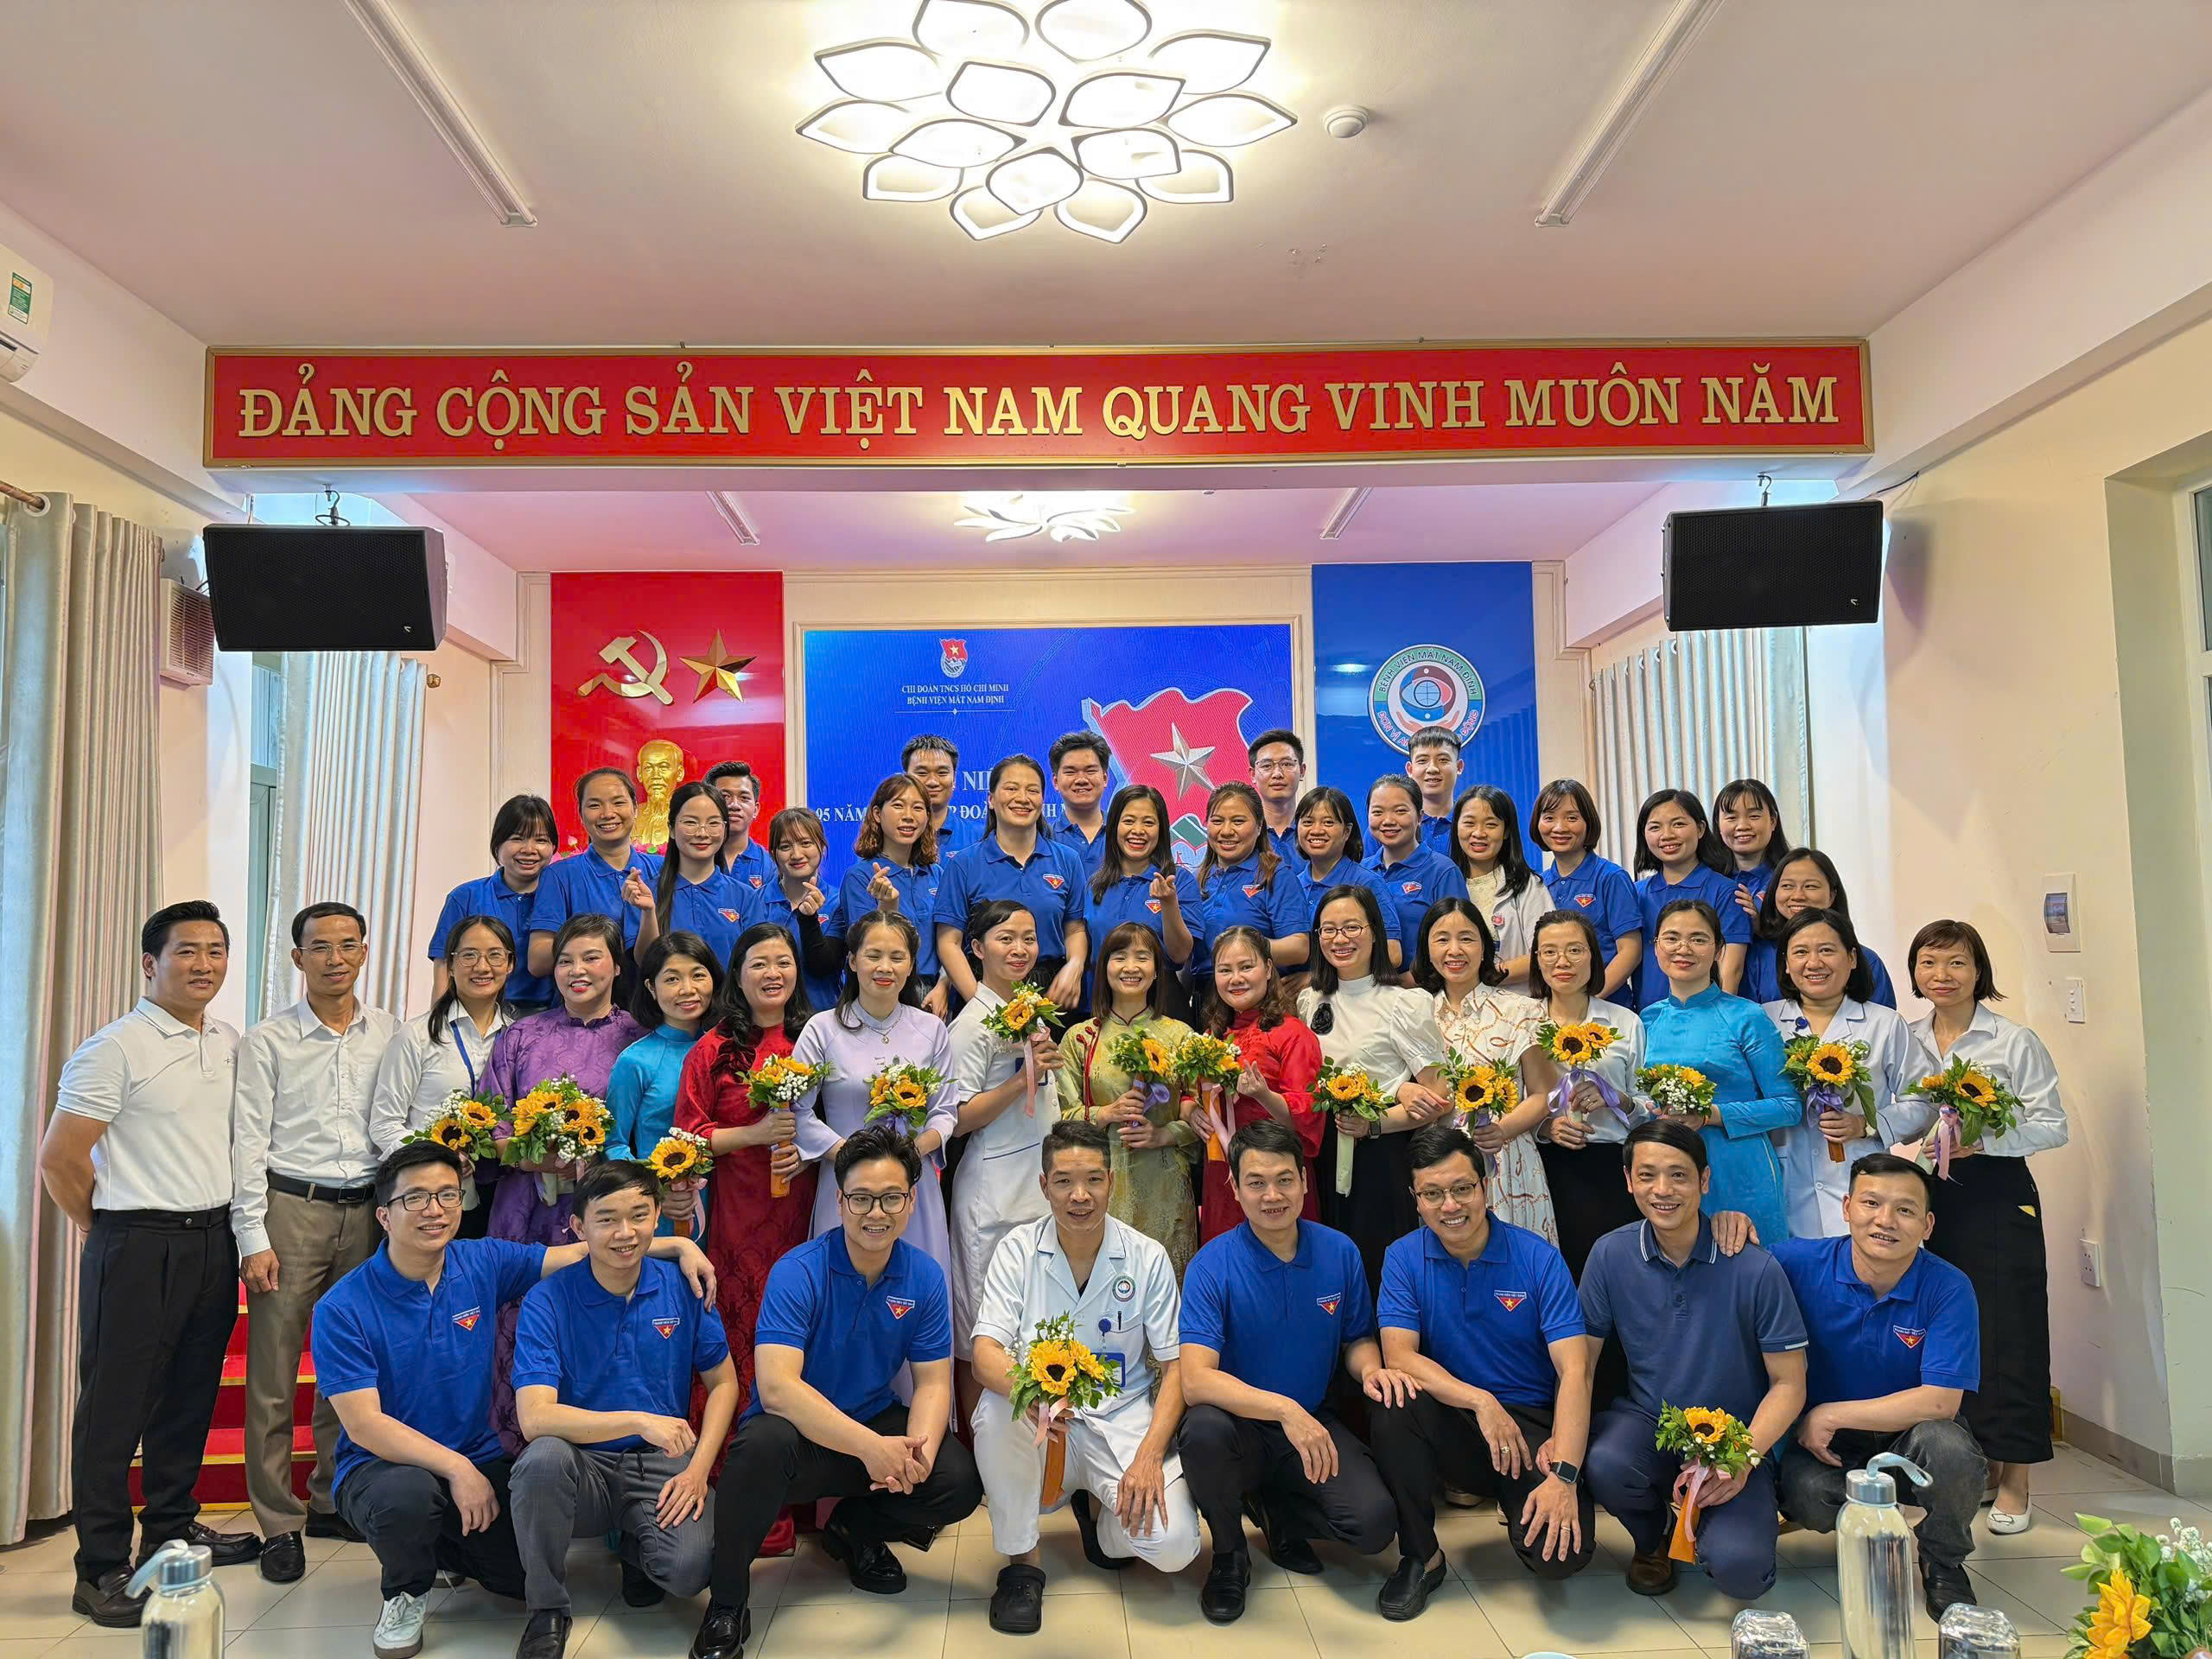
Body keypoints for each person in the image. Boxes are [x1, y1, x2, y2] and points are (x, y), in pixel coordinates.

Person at [314, 1143, 712, 1659]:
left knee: (520, 1574)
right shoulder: (343, 1306)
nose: (435, 1210)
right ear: (384, 1215)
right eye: (416, 1198)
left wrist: (677, 1246)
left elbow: (582, 1250)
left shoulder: (481, 1261)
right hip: (383, 1465)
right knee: (407, 1500)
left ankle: (445, 1546)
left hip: (478, 1456)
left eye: (447, 1195)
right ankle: (405, 1589)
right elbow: (365, 1426)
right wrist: (457, 1469)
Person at [41, 901, 263, 1626]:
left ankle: (170, 1530)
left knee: (189, 1397)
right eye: (186, 951)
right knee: (114, 1409)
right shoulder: (115, 1047)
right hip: (135, 1241)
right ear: (150, 963)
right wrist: (102, 1227)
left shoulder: (227, 1040)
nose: (204, 964)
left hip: (211, 1240)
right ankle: (100, 1566)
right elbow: (61, 1159)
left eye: (216, 951)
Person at [690, 1127, 983, 1659]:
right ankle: (727, 1602)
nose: (877, 1213)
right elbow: (777, 1389)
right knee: (758, 1448)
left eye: (891, 1198)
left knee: (956, 1480)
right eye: (862, 1198)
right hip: (797, 1438)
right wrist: (873, 1450)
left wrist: (915, 1454)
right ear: (841, 1200)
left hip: (871, 1420)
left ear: (911, 1201)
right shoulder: (798, 1271)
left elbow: (934, 1382)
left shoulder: (923, 1276)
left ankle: (854, 1529)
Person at [969, 1120, 1202, 1632]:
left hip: (1121, 1418)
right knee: (995, 1410)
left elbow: (1176, 1367)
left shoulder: (1146, 1256)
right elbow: (985, 1354)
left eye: (1094, 1179)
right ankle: (1023, 1567)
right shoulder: (1017, 1250)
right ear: (1044, 1185)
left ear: (1111, 1182)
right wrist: (1031, 1393)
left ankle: (1103, 1524)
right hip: (1042, 1422)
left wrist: (1149, 1457)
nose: (1080, 1196)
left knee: (1175, 1547)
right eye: (1064, 1181)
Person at [1175, 1121, 1406, 1624]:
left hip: (1314, 1422)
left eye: (1284, 1180)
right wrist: (1283, 1410)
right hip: (1241, 1427)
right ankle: (1229, 1555)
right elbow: (1195, 1380)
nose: (1272, 1195)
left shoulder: (1340, 1252)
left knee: (1373, 1526)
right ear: (1234, 1188)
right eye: (1256, 1182)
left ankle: (1278, 1513)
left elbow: (1357, 1338)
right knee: (1202, 1431)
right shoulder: (1211, 1265)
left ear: (1304, 1181)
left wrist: (1371, 1370)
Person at [232, 900, 401, 1581]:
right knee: (274, 1377)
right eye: (321, 947)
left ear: (365, 951)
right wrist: (252, 1234)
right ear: (297, 957)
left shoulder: (391, 1032)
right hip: (291, 1210)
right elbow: (247, 1141)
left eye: (348, 945)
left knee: (349, 1367)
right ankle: (278, 1523)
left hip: (368, 1212)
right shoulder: (267, 1040)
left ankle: (332, 1497)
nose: (336, 958)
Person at [511, 1161, 739, 1658]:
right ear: (579, 1227)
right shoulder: (548, 1300)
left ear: (657, 1216)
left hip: (663, 1462)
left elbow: (724, 1382)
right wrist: (639, 1421)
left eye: (638, 1215)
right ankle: (546, 1610)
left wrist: (698, 1470)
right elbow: (535, 1418)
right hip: (582, 1463)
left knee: (689, 1573)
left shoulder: (684, 1285)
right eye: (607, 1219)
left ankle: (638, 1550)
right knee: (541, 1460)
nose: (625, 1232)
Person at [1369, 1125, 1596, 1619]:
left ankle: (1523, 1503)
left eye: (1462, 1188)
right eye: (1432, 1194)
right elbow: (1399, 1356)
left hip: (1529, 1426)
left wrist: (1564, 1473)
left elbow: (1575, 1370)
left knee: (1561, 1560)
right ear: (1416, 1199)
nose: (1450, 1206)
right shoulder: (1403, 1257)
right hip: (1456, 1415)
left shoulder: (1538, 1258)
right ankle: (1421, 1556)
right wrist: (1479, 1401)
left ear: (1485, 1186)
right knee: (1395, 1402)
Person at [1580, 1119, 1808, 1601]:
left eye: (1679, 1175)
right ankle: (1655, 1536)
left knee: (1742, 1573)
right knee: (1607, 1462)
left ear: (1705, 1181)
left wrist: (1742, 1460)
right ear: (1628, 1181)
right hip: (1650, 1423)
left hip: (1734, 1438)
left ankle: (1714, 1528)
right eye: (1647, 1175)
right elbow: (1581, 1366)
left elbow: (1790, 1384)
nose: (1662, 1190)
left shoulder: (1755, 1266)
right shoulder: (1609, 1254)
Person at [1773, 1154, 1986, 1622]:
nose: (1885, 1221)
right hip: (1824, 1447)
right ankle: (1870, 1538)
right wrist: (1728, 1224)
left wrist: (1830, 1413)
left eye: (1905, 1210)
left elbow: (1941, 1402)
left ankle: (1943, 1560)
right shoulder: (1795, 1262)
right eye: (1871, 1203)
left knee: (1950, 1451)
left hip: (1911, 1435)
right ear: (1847, 1207)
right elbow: (1729, 1265)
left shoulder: (1949, 1287)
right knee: (1808, 1496)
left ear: (1927, 1225)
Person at [1908, 918, 2069, 1534]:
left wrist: (1985, 1138)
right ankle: (1975, 1465)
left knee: (2008, 1331)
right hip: (1930, 1193)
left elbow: (2052, 1124)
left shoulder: (2012, 1040)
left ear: (1980, 972)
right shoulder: (1908, 1038)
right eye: (1929, 962)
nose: (1942, 975)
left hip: (1997, 1193)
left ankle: (2017, 1478)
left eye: (1957, 963)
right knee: (1946, 1329)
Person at [672, 924, 814, 1558]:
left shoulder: (815, 1038)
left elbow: (837, 1123)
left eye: (783, 962)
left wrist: (807, 1153)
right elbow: (687, 1136)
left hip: (806, 1217)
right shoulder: (713, 1048)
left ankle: (807, 1494)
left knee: (802, 1346)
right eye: (759, 963)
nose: (772, 974)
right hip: (734, 1223)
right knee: (740, 1347)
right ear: (739, 973)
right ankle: (739, 1496)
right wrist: (754, 1136)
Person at [791, 911, 961, 1282]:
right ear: (853, 961)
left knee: (915, 1288)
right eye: (873, 955)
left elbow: (945, 1111)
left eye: (897, 957)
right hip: (846, 1182)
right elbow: (797, 1111)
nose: (885, 967)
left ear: (912, 965)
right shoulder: (822, 1029)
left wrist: (910, 1154)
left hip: (912, 1184)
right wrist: (852, 1154)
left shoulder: (932, 1030)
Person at [1298, 886, 1452, 1289]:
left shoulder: (1404, 1003)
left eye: (1352, 927)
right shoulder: (1309, 1000)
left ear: (1375, 932)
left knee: (1377, 1267)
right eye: (1329, 929)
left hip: (1379, 1157)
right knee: (1328, 1269)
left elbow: (1440, 1098)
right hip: (1320, 1151)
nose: (1340, 939)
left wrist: (1376, 1123)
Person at [944, 901, 1065, 1416]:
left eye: (1029, 938)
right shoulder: (972, 1024)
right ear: (977, 948)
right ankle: (979, 1453)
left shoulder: (1031, 1013)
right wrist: (1022, 1078)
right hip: (992, 1198)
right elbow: (957, 1118)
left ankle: (1035, 1447)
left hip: (1037, 1187)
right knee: (984, 1336)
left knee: (1036, 1328)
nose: (1020, 949)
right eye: (1006, 938)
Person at [1762, 909, 1936, 1237]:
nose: (1814, 963)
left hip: (1863, 1189)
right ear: (1785, 964)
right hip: (1784, 1187)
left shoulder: (1884, 1023)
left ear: (1852, 958)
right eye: (1800, 952)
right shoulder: (1763, 1021)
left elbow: (1924, 1103)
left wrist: (1867, 1124)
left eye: (1827, 950)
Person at [1642, 899, 1799, 1244]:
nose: (1683, 948)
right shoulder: (1647, 1020)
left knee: (1749, 1267)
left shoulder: (1746, 1016)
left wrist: (1711, 1115)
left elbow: (1788, 1106)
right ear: (1655, 947)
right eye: (1672, 938)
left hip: (1738, 1167)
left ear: (1718, 950)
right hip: (1668, 1175)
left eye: (1698, 939)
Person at [484, 915, 645, 1249]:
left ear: (617, 966)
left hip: (609, 1207)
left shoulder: (639, 1039)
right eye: (565, 961)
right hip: (524, 1205)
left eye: (591, 958)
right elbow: (491, 1127)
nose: (577, 970)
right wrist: (535, 1159)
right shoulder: (520, 1035)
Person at [1057, 921, 1200, 1277]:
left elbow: (1203, 1117)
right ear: (1103, 967)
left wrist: (1164, 1134)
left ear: (1157, 970)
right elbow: (1059, 1118)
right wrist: (1105, 1113)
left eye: (1142, 957)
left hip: (1166, 1183)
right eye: (1119, 957)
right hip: (1099, 1184)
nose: (1131, 967)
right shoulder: (1080, 1038)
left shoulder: (1181, 1035)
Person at [1417, 898, 1560, 1243]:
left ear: (1484, 947)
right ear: (1427, 950)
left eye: (1466, 938)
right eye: (1442, 939)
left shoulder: (1522, 1010)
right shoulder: (1416, 1014)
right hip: (1440, 1170)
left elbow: (1544, 1094)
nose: (1454, 950)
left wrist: (1501, 1130)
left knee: (1519, 1260)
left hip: (1509, 1160)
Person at [371, 915, 515, 1236]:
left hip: (502, 1194)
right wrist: (436, 1157)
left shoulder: (519, 1036)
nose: (482, 967)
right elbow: (384, 1124)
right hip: (427, 1198)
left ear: (510, 964)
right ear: (449, 965)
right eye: (469, 955)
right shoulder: (417, 1036)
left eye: (495, 955)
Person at [1523, 911, 1649, 1279]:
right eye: (1549, 952)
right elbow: (1511, 1099)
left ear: (1593, 956)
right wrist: (1545, 1128)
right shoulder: (1522, 1021)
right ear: (1536, 960)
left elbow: (1648, 1106)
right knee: (1552, 1276)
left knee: (1613, 1277)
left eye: (1575, 950)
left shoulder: (1625, 1021)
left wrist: (1618, 1099)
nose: (1562, 962)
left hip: (1611, 1167)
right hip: (1542, 1167)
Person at [1193, 926, 1322, 1242]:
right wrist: (1189, 1110)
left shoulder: (1293, 1034)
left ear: (1268, 968)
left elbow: (1308, 1116)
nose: (1236, 978)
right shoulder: (1212, 1036)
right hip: (1222, 1172)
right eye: (1225, 970)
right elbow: (1191, 1094)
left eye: (1246, 967)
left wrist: (1264, 1095)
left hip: (1273, 1173)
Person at [934, 754, 1089, 1011]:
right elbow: (949, 943)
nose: (1022, 798)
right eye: (1011, 788)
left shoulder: (1068, 860)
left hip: (1050, 994)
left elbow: (1075, 930)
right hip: (984, 989)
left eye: (1033, 790)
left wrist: (1074, 966)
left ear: (1042, 800)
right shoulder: (964, 863)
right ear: (991, 799)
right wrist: (982, 1004)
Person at [606, 931, 720, 1236]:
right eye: (672, 979)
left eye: (698, 975)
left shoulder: (728, 1050)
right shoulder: (636, 1060)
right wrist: (655, 1192)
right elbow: (614, 1143)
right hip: (667, 1206)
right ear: (651, 988)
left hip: (730, 1203)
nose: (688, 989)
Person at [524, 770, 662, 982]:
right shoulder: (559, 875)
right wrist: (593, 942)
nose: (607, 813)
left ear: (635, 808)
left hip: (654, 997)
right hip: (581, 996)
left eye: (618, 803)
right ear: (580, 815)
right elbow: (537, 962)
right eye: (594, 805)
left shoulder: (663, 869)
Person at [429, 795, 558, 1007]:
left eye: (541, 840)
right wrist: (439, 1019)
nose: (529, 849)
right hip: (480, 1011)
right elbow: (443, 965)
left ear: (553, 847)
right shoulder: (465, 897)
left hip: (547, 1015)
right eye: (517, 838)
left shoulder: (562, 897)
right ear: (497, 845)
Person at [841, 774, 947, 1014]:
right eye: (898, 806)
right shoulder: (861, 876)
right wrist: (888, 906)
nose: (908, 816)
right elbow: (866, 949)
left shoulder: (937, 874)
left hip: (937, 994)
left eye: (918, 808)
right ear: (877, 814)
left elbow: (951, 939)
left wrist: (944, 984)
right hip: (885, 991)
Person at [1630, 789, 1748, 1005]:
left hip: (1706, 1015)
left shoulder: (1725, 891)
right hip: (1648, 1016)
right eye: (1655, 827)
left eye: (1678, 824)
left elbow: (1731, 969)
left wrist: (1719, 1017)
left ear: (1700, 829)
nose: (1667, 835)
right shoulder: (1636, 893)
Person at [1745, 847, 1899, 1007]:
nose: (1798, 896)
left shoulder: (1867, 960)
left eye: (1810, 886)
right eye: (1787, 886)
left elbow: (1883, 1020)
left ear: (1832, 895)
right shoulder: (1755, 957)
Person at [1531, 779, 1642, 1001]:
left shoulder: (1611, 877)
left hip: (1607, 1004)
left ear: (1588, 822)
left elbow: (1631, 951)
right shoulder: (1538, 883)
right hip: (1556, 1006)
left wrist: (1590, 1000)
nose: (1559, 827)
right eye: (1549, 818)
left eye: (1572, 818)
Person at [1188, 781, 1307, 982]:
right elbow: (1185, 959)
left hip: (1257, 992)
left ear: (1259, 826)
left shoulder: (1275, 875)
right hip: (1204, 994)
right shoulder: (1195, 879)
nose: (1226, 831)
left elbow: (1300, 948)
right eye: (1217, 821)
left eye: (1238, 821)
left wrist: (1243, 947)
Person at [1084, 783, 1198, 988]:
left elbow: (1180, 955)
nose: (1138, 831)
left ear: (1161, 829)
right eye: (1128, 821)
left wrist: (1169, 903)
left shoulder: (1179, 881)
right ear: (1114, 826)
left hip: (1160, 999)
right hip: (1101, 999)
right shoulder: (1095, 884)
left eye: (1148, 822)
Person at [634, 781, 753, 972]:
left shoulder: (745, 896)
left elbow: (754, 961)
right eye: (691, 822)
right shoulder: (646, 895)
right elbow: (644, 962)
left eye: (713, 823)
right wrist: (648, 912)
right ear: (671, 829)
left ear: (725, 830)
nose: (702, 833)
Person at [1446, 785, 1551, 984]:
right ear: (1456, 827)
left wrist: (1486, 977)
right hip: (1456, 999)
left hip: (1514, 998)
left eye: (1491, 824)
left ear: (1506, 831)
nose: (1479, 833)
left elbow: (1547, 952)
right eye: (1469, 823)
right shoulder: (1444, 882)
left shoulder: (1528, 885)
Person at [1287, 787, 1398, 969]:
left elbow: (1393, 954)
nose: (1316, 830)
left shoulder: (1367, 882)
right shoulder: (1292, 886)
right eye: (1307, 822)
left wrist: (1316, 978)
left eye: (1328, 822)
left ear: (1347, 831)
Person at [1363, 773, 1461, 969]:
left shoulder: (1443, 871)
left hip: (1425, 986)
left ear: (1420, 817)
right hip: (1366, 986)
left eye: (1400, 811)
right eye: (1378, 812)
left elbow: (1456, 942)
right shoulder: (1360, 872)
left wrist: (1405, 982)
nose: (1388, 820)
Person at [755, 807, 847, 1013]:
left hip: (822, 1018)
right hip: (767, 1019)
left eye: (806, 843)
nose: (796, 855)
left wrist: (809, 919)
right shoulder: (754, 901)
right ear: (773, 854)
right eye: (785, 846)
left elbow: (823, 967)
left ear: (821, 847)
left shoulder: (838, 902)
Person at [1713, 778, 1790, 917]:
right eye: (1731, 818)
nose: (1743, 826)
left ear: (1773, 821)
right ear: (1718, 824)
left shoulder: (1792, 875)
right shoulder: (1709, 879)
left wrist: (1761, 924)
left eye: (1754, 816)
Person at [1049, 730, 1114, 881]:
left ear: (1105, 778)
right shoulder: (1044, 840)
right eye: (1070, 772)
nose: (1081, 780)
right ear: (1056, 782)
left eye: (1090, 771)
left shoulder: (1126, 836)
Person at [703, 760, 776, 893]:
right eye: (725, 796)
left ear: (756, 810)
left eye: (744, 797)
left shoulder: (770, 866)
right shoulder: (692, 859)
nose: (734, 805)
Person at [902, 732, 976, 855]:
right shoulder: (887, 839)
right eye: (922, 773)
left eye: (942, 773)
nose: (933, 782)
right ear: (905, 779)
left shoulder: (980, 837)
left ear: (954, 779)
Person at [1245, 728, 1306, 862]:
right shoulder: (1242, 833)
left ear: (1302, 771)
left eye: (1286, 764)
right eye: (1267, 766)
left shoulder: (1315, 833)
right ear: (1253, 774)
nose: (1277, 774)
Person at [1403, 727, 1465, 853]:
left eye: (1443, 760)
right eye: (1422, 761)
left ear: (1459, 767)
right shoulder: (1391, 825)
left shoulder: (1472, 824)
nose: (1432, 769)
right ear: (1410, 770)